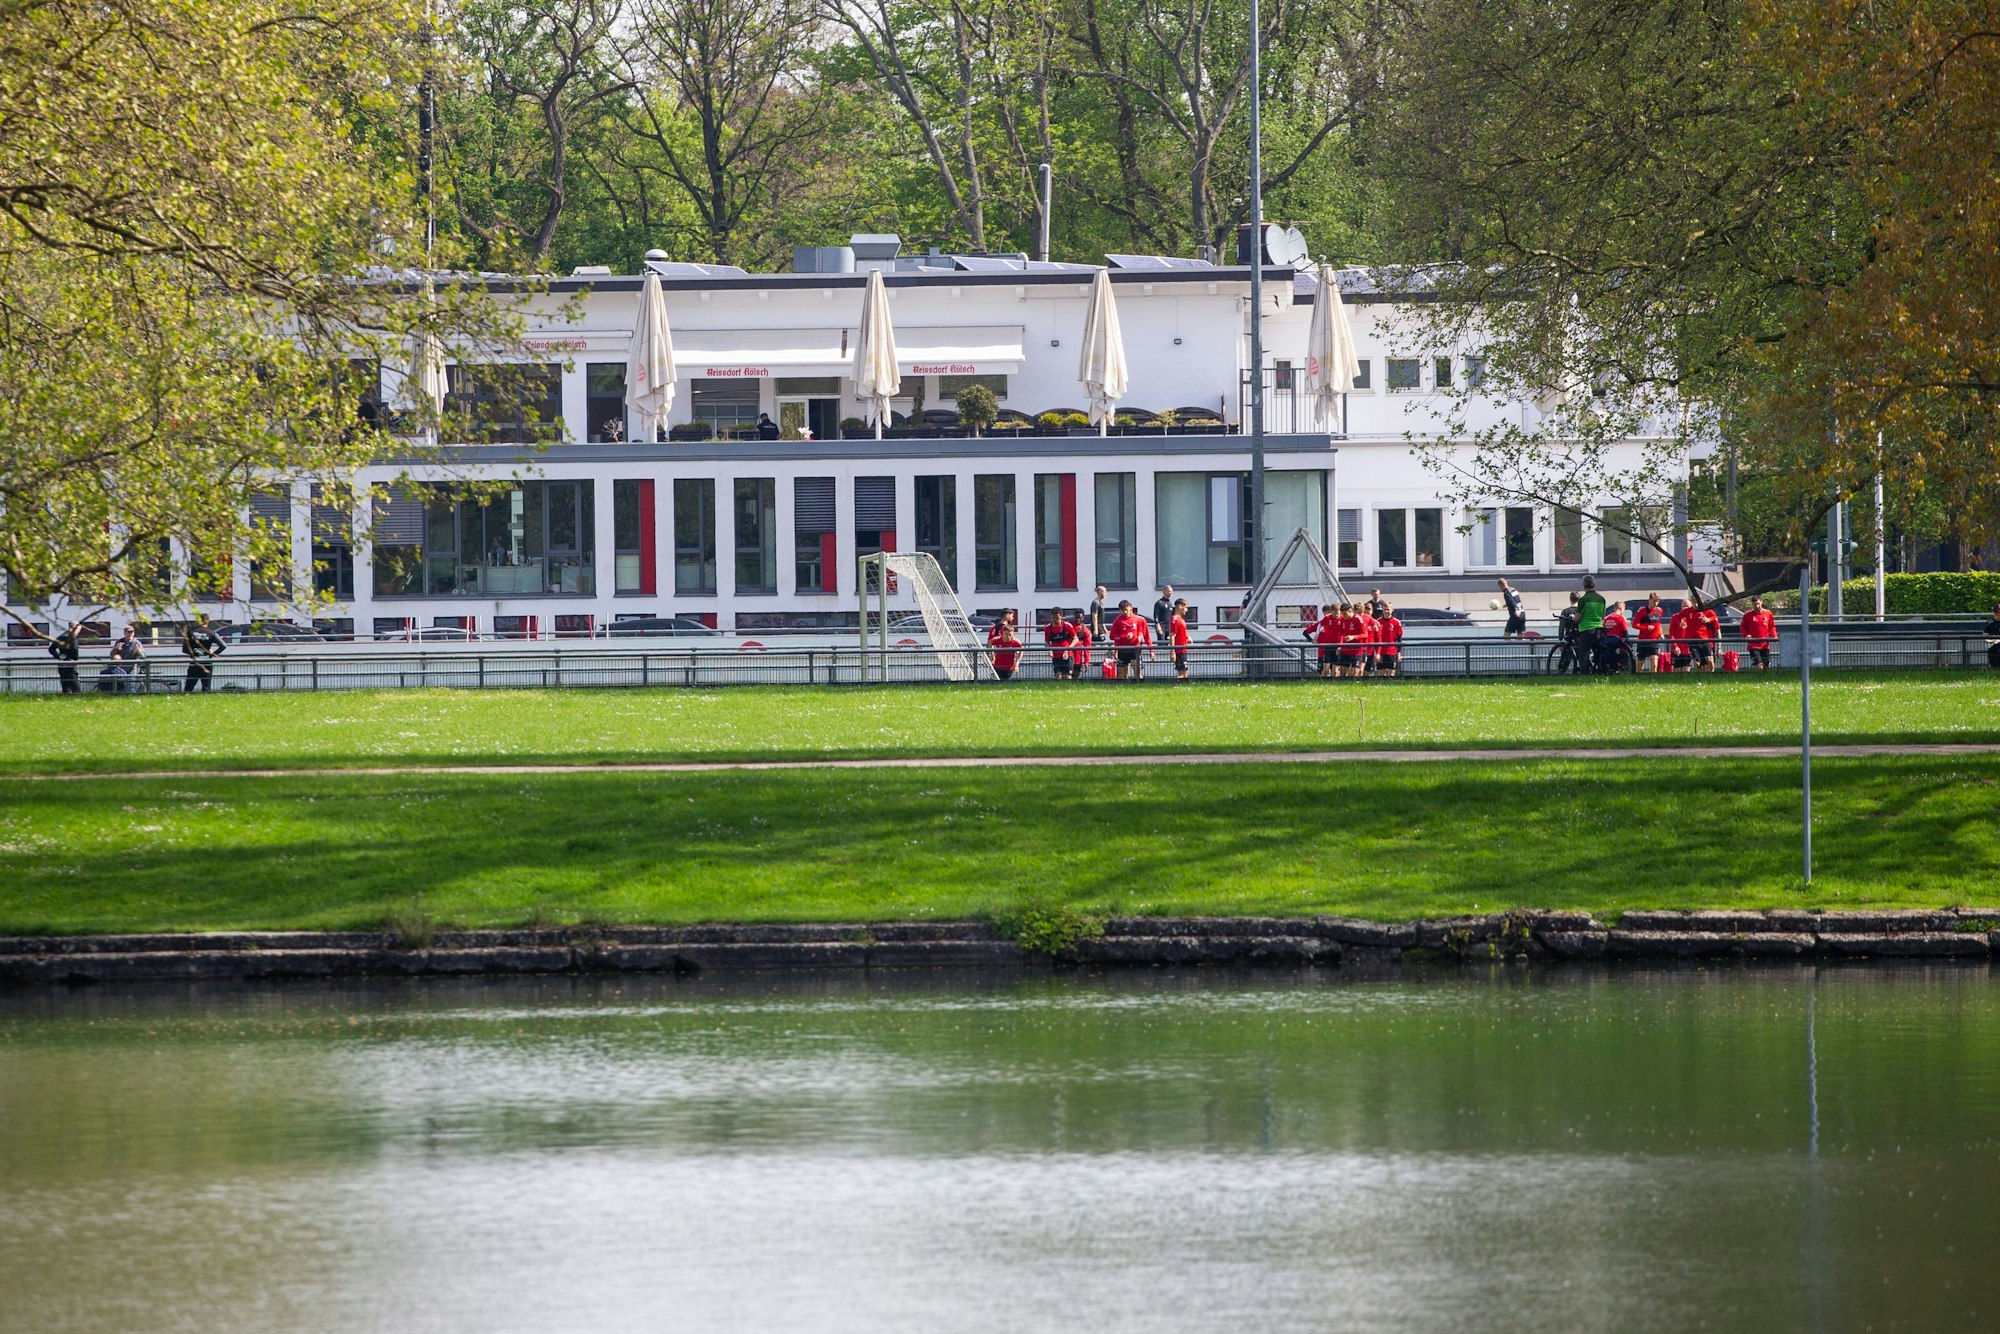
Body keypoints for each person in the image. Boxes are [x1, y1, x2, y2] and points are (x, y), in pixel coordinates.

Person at [180, 613, 226, 693]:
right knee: (206, 687)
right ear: (208, 621)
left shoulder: (190, 633)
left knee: (188, 687)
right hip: (207, 662)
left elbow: (184, 649)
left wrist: (193, 653)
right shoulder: (211, 633)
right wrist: (213, 654)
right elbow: (223, 645)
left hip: (195, 662)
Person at [1108, 599, 1152, 680]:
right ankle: (1122, 689)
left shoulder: (1140, 620)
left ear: (1131, 609)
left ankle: (1139, 686)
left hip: (1135, 649)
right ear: (1120, 610)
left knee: (1137, 671)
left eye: (1126, 610)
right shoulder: (1118, 621)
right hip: (1122, 649)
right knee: (1121, 675)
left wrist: (1151, 651)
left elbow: (1147, 636)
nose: (1125, 612)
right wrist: (1124, 637)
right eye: (1122, 610)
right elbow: (1112, 636)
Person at [1574, 575, 1607, 672]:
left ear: (1584, 586)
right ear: (1594, 585)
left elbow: (1578, 617)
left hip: (1586, 629)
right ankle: (1599, 670)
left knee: (1583, 653)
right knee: (1598, 652)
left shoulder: (1583, 600)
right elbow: (1602, 616)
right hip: (1599, 630)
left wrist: (1575, 620)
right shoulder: (1601, 599)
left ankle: (1585, 674)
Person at [1305, 602, 1342, 678]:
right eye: (1335, 613)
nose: (1336, 615)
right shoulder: (1326, 619)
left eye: (1338, 613)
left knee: (1335, 670)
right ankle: (1322, 684)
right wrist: (1315, 637)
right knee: (1324, 669)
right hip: (1326, 648)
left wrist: (1341, 644)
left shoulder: (1342, 619)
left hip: (1337, 646)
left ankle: (1334, 684)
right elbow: (1318, 625)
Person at [1740, 596, 1777, 670]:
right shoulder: (1747, 615)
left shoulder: (1768, 613)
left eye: (1758, 604)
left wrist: (1774, 636)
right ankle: (1758, 679)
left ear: (1761, 602)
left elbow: (1772, 627)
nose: (1757, 606)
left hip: (1765, 644)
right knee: (1759, 665)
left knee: (1766, 665)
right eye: (1754, 604)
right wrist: (1746, 635)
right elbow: (1742, 627)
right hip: (1753, 644)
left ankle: (1764, 680)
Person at [104, 625, 144, 693]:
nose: (130, 634)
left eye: (132, 632)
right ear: (124, 633)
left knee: (131, 687)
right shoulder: (119, 642)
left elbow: (144, 656)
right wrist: (116, 649)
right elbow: (112, 655)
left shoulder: (137, 643)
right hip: (119, 669)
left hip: (131, 668)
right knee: (119, 686)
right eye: (128, 632)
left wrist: (140, 652)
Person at [1632, 593, 1667, 666]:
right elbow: (1634, 624)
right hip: (1643, 641)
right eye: (1654, 601)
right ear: (1649, 600)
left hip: (1654, 641)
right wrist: (1646, 628)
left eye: (1657, 601)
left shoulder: (1659, 610)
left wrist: (1661, 633)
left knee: (1654, 664)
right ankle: (1637, 677)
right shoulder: (1642, 611)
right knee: (1640, 665)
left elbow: (1659, 623)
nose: (1656, 603)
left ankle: (1653, 677)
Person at [987, 611, 1022, 680]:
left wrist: (1017, 664)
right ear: (1002, 633)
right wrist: (991, 656)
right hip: (997, 665)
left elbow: (1022, 651)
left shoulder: (1016, 642)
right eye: (1006, 634)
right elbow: (989, 644)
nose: (1008, 637)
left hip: (1009, 667)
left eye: (1010, 635)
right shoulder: (996, 639)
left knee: (1006, 682)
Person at [47, 624, 81, 695]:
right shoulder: (72, 638)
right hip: (70, 664)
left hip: (62, 663)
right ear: (75, 628)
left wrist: (60, 657)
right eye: (79, 629)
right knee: (75, 687)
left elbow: (51, 649)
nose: (79, 632)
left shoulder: (61, 636)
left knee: (65, 685)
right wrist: (75, 660)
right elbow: (75, 649)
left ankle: (66, 698)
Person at [1044, 608, 1075, 679]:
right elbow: (1047, 642)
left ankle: (1068, 689)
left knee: (1067, 676)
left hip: (1067, 655)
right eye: (1053, 618)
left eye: (1057, 618)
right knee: (1058, 676)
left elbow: (1075, 639)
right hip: (1056, 656)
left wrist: (1067, 649)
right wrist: (1050, 650)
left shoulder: (1067, 626)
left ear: (1061, 616)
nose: (1055, 620)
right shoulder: (1048, 628)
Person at [1375, 602, 1404, 678]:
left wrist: (1399, 653)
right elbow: (1375, 639)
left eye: (1388, 609)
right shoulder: (1378, 622)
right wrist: (1376, 652)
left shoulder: (1397, 622)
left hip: (1392, 651)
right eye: (1384, 609)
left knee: (1391, 674)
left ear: (1392, 610)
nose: (1386, 611)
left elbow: (1399, 639)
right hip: (1381, 651)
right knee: (1381, 673)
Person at [1168, 597, 1192, 681]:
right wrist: (1172, 651)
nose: (1187, 610)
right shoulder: (1175, 619)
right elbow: (1172, 635)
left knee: (1184, 671)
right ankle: (1180, 687)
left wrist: (1186, 637)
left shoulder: (1181, 619)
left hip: (1183, 650)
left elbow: (1179, 633)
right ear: (1180, 606)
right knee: (1182, 672)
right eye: (1186, 607)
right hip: (1179, 650)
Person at [1071, 610, 1093, 679]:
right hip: (1068, 655)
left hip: (1078, 656)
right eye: (1076, 617)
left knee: (1076, 676)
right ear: (1074, 617)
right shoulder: (1069, 626)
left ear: (1083, 618)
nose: (1078, 619)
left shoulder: (1085, 630)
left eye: (1080, 618)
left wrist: (1086, 661)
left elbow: (1087, 647)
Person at [1984, 603, 2000, 669]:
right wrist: (1993, 640)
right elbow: (1985, 636)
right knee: (1994, 667)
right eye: (1997, 612)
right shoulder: (1989, 623)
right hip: (1994, 649)